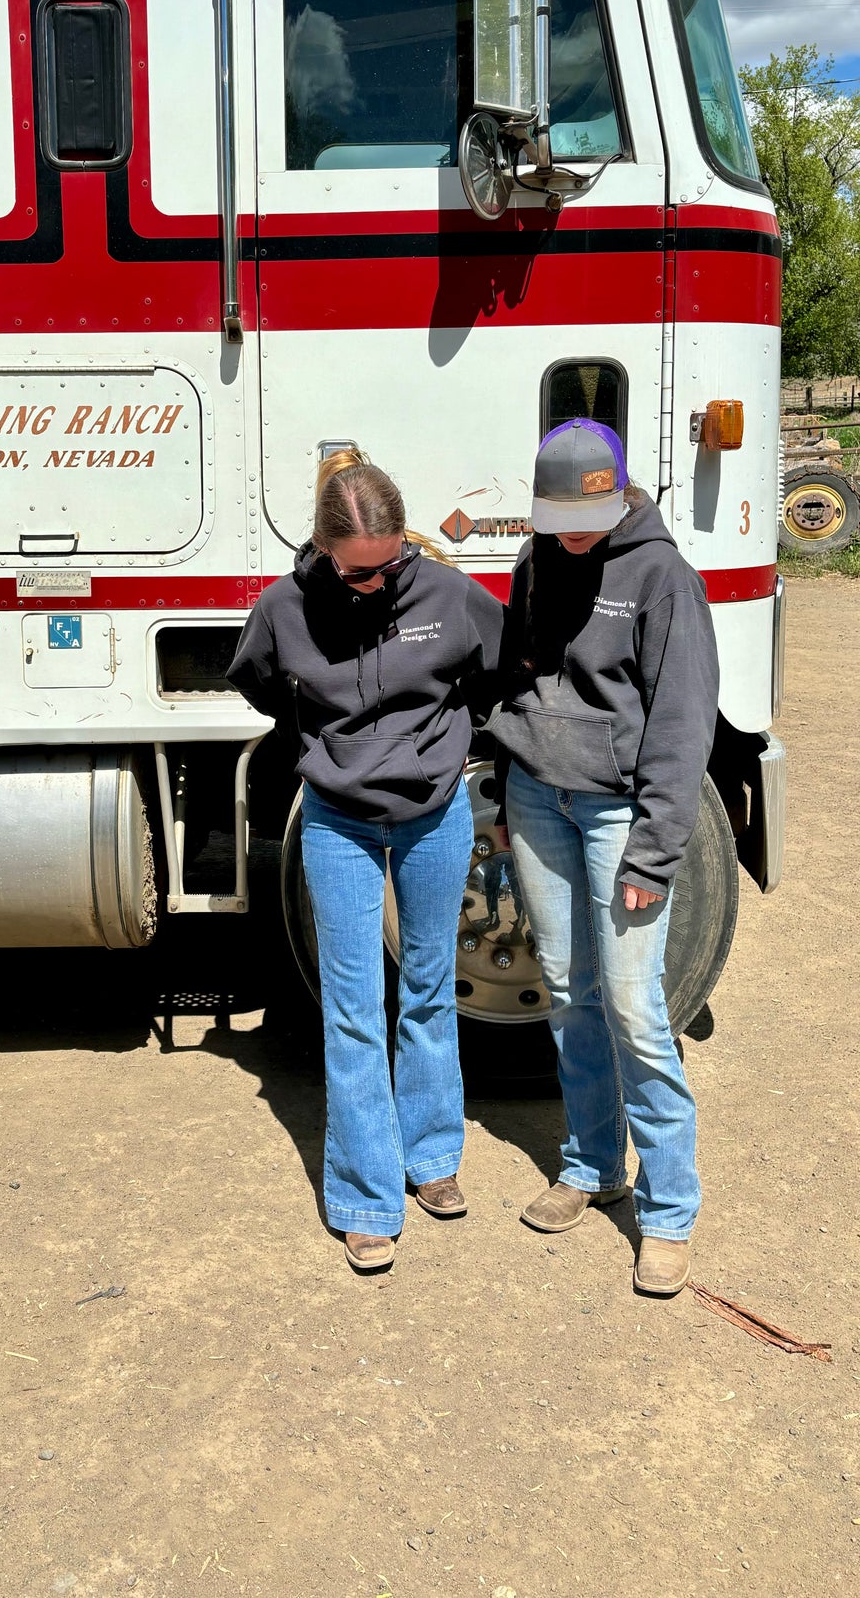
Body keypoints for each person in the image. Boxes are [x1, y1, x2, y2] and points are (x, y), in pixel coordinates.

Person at [228, 451, 503, 1273]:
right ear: (321, 550)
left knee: (427, 986)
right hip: (337, 822)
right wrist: (329, 745)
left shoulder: (449, 595)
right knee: (352, 1008)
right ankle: (364, 1197)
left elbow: (492, 671)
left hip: (435, 817)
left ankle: (431, 1156)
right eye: (356, 573)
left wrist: (443, 742)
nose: (376, 584)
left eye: (389, 566)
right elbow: (259, 684)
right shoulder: (282, 609)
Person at [489, 419, 719, 1297]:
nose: (567, 533)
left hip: (617, 814)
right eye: (551, 517)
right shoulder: (538, 558)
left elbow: (682, 719)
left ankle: (668, 1213)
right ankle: (590, 1164)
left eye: (579, 517)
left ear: (617, 492)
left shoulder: (662, 577)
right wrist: (510, 779)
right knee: (565, 989)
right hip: (537, 801)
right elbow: (520, 673)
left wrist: (653, 850)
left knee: (633, 1005)